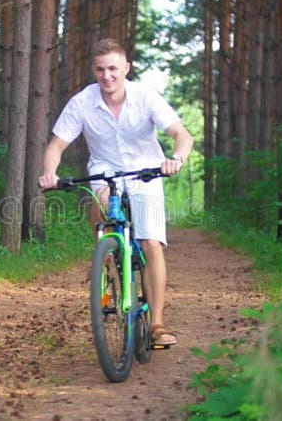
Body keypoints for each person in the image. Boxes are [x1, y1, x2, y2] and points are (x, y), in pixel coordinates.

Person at [38, 38, 193, 346]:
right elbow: (56, 145)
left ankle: (158, 324)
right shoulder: (83, 101)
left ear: (125, 68)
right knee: (103, 210)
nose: (106, 76)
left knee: (150, 242)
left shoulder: (146, 97)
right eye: (100, 70)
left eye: (112, 69)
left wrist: (176, 159)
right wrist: (50, 173)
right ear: (93, 71)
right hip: (106, 172)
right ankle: (107, 262)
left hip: (146, 173)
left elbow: (181, 134)